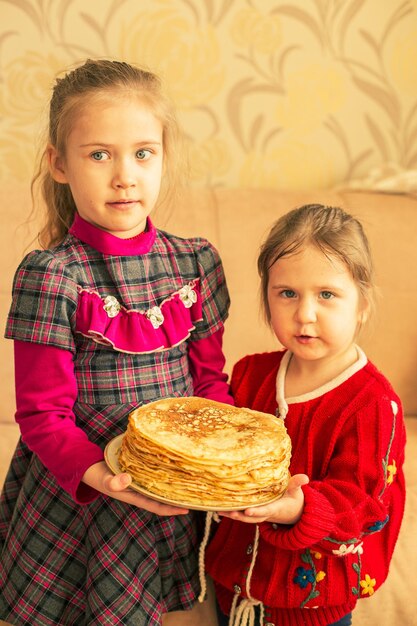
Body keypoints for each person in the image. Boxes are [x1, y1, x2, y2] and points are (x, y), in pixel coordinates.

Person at [0, 58, 233, 625]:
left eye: (143, 152)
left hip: (171, 486)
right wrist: (102, 475)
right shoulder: (51, 275)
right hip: (82, 493)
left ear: (163, 155)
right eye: (99, 154)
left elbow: (209, 386)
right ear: (59, 163)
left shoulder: (196, 263)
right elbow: (41, 415)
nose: (124, 175)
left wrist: (221, 467)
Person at [203, 204, 406, 626]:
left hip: (312, 607)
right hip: (231, 591)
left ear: (362, 303)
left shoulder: (373, 404)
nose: (305, 313)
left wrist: (296, 508)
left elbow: (365, 507)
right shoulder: (250, 374)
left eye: (327, 295)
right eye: (287, 293)